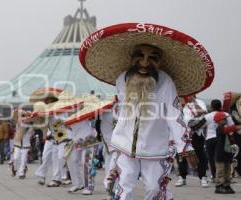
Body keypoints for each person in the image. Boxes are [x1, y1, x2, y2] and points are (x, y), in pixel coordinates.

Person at [79, 23, 214, 200]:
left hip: (155, 147)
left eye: (152, 58)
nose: (144, 62)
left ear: (160, 62)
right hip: (124, 146)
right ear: (132, 57)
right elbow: (118, 113)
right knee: (123, 187)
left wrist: (185, 147)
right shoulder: (122, 79)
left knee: (153, 188)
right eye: (140, 56)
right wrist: (111, 140)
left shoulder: (166, 83)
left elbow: (174, 116)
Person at [176, 95, 209, 187]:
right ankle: (182, 177)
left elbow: (202, 113)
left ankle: (202, 177)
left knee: (199, 154)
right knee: (182, 155)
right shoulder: (179, 103)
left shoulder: (199, 102)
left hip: (196, 133)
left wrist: (192, 102)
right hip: (183, 134)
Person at [203, 100, 234, 182]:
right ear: (220, 106)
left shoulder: (207, 116)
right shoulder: (226, 115)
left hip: (210, 139)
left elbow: (201, 126)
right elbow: (231, 126)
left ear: (211, 107)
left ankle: (214, 176)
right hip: (222, 139)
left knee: (211, 158)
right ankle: (225, 176)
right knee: (221, 158)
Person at [213, 111, 241, 194]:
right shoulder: (220, 128)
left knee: (228, 170)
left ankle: (226, 185)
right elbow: (229, 129)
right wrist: (238, 127)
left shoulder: (226, 128)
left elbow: (231, 137)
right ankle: (219, 186)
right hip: (220, 154)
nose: (225, 119)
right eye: (223, 118)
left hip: (227, 153)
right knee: (220, 170)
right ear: (218, 121)